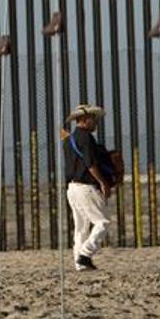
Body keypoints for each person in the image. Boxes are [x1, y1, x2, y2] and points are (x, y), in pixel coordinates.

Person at [63, 104, 112, 271]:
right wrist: (103, 182)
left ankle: (79, 263)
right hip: (85, 187)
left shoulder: (68, 140)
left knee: (81, 227)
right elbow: (90, 164)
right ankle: (85, 254)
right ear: (84, 120)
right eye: (93, 118)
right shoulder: (86, 138)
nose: (96, 122)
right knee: (102, 222)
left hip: (72, 188)